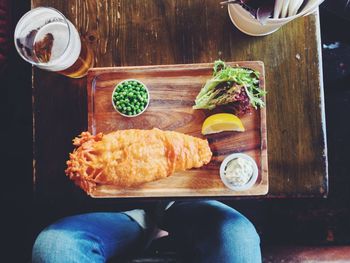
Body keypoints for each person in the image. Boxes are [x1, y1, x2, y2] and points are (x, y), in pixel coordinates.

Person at [32, 200, 261, 262]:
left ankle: (144, 223)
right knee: (237, 233)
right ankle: (155, 219)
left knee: (56, 245)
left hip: (190, 199)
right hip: (190, 201)